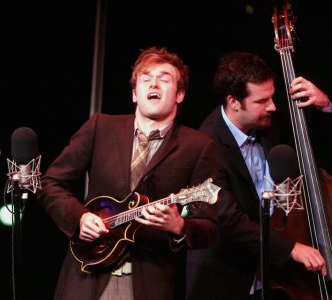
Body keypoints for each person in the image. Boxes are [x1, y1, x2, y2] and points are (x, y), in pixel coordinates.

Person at [37, 46, 220, 300]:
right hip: (87, 275)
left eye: (164, 79)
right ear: (135, 93)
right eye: (146, 79)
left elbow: (210, 225)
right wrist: (79, 218)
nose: (153, 83)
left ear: (179, 94)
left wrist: (179, 227)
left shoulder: (199, 146)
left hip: (149, 282)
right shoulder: (101, 127)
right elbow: (51, 183)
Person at [185, 51, 330, 300]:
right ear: (234, 102)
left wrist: (325, 105)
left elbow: (315, 141)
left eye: (272, 97)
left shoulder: (268, 120)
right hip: (225, 277)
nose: (272, 106)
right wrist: (292, 248)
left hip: (275, 277)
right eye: (262, 101)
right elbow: (228, 219)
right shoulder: (205, 145)